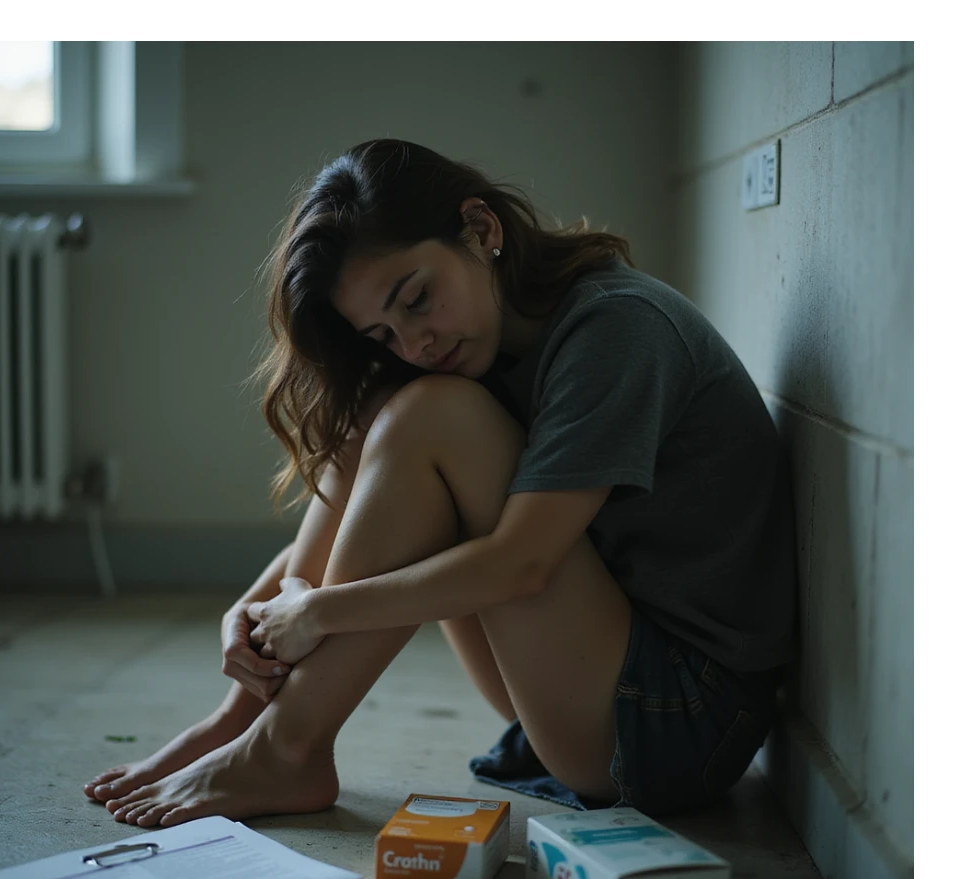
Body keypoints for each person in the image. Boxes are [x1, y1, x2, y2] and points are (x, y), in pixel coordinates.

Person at [83, 138, 798, 829]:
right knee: (379, 413)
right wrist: (254, 612)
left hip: (679, 719)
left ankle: (284, 748)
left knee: (430, 415)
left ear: (481, 229)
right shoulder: (479, 347)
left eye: (417, 298)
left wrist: (318, 613)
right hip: (592, 682)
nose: (414, 342)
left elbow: (521, 565)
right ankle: (246, 723)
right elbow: (348, 525)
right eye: (382, 333)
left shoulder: (616, 329)